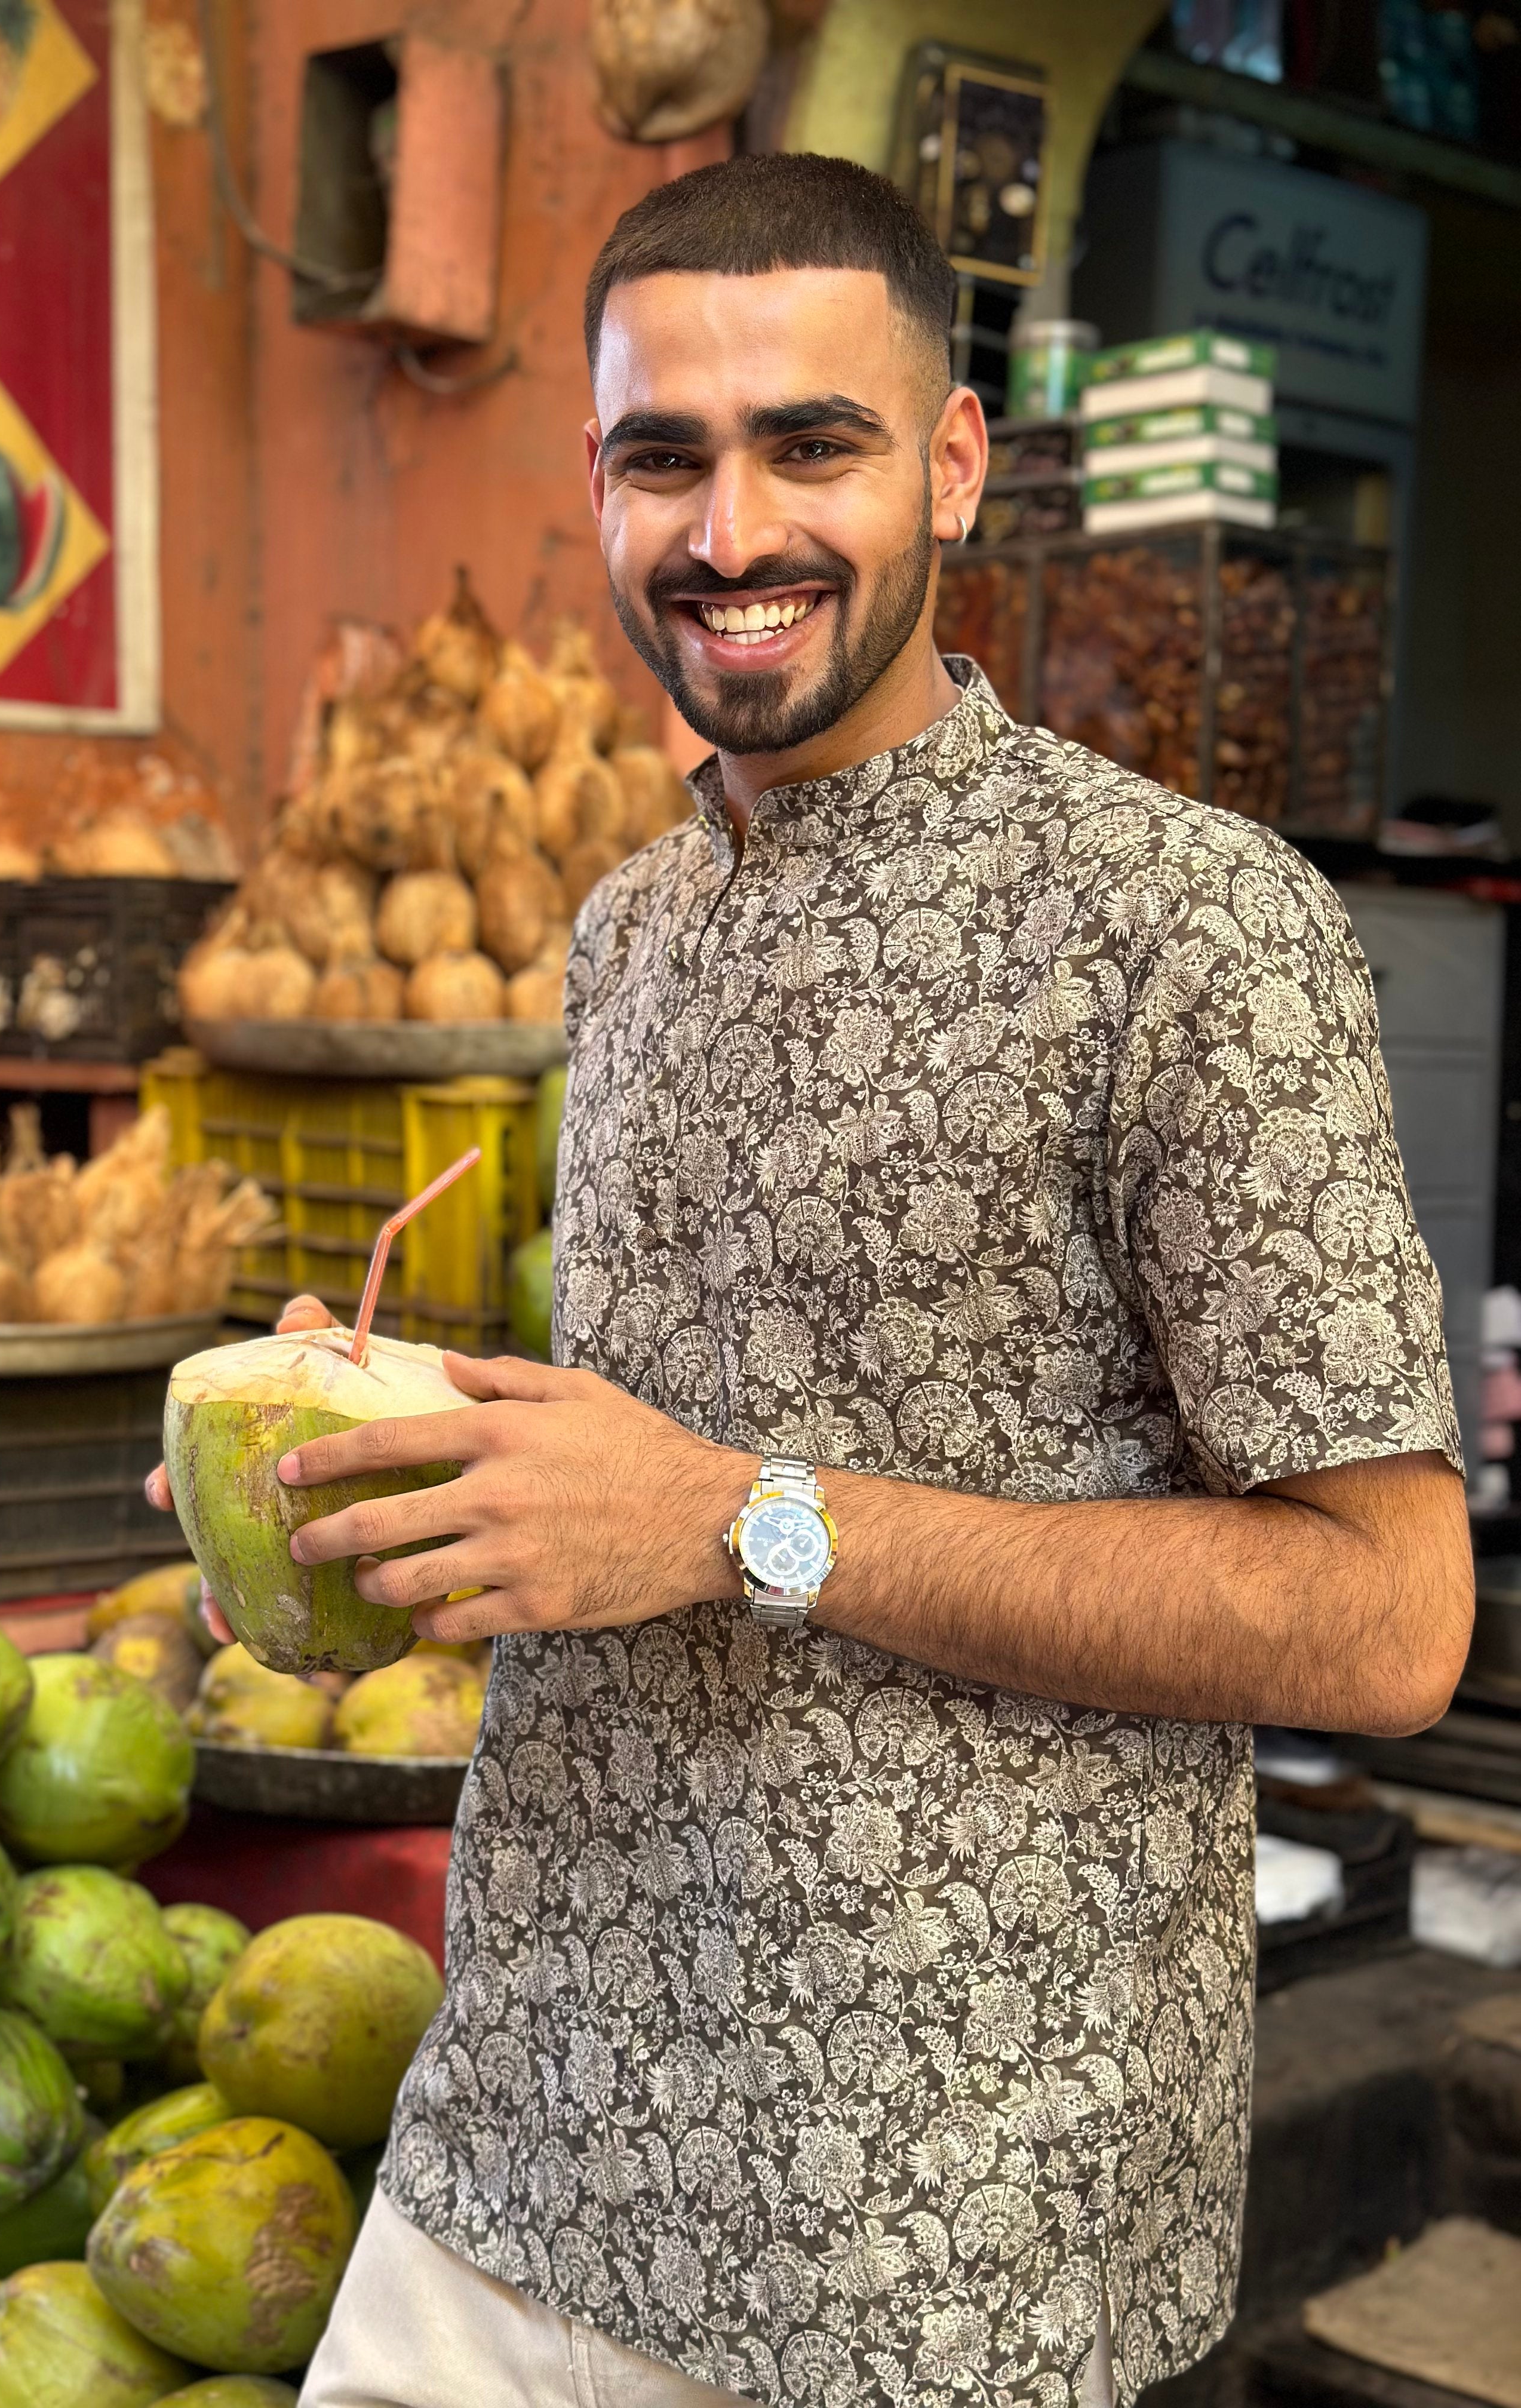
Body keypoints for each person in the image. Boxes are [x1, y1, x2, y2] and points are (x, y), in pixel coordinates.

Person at [158, 153, 1473, 2408]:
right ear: (598, 482)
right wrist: (400, 1457)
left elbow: (1387, 1618)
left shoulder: (1189, 928)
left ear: (950, 466)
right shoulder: (634, 927)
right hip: (532, 2119)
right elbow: (667, 1454)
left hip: (918, 2220)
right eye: (664, 457)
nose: (731, 529)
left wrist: (740, 1521)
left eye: (812, 444)